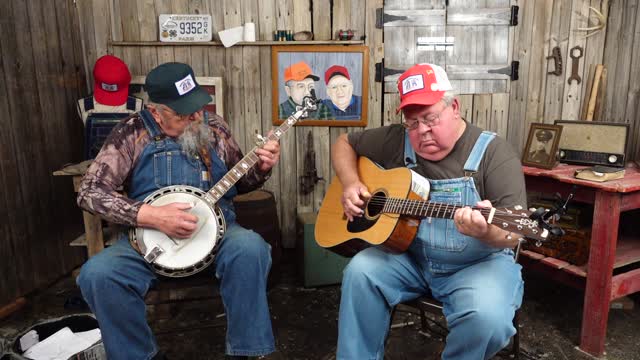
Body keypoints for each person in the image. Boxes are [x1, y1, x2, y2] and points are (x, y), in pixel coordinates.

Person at [76, 62, 279, 360]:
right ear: (157, 111)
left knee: (251, 249)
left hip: (218, 233)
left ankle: (246, 352)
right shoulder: (131, 133)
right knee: (97, 274)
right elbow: (89, 192)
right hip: (148, 241)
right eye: (184, 113)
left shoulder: (214, 127)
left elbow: (241, 182)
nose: (196, 116)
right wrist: (152, 216)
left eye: (197, 106)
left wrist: (261, 167)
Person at [331, 63, 527, 360]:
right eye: (412, 123)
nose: (422, 130)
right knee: (360, 272)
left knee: (487, 318)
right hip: (409, 257)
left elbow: (515, 232)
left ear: (455, 108)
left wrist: (488, 230)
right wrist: (350, 182)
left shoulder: (494, 153)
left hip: (476, 266)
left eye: (431, 117)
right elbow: (344, 143)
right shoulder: (396, 139)